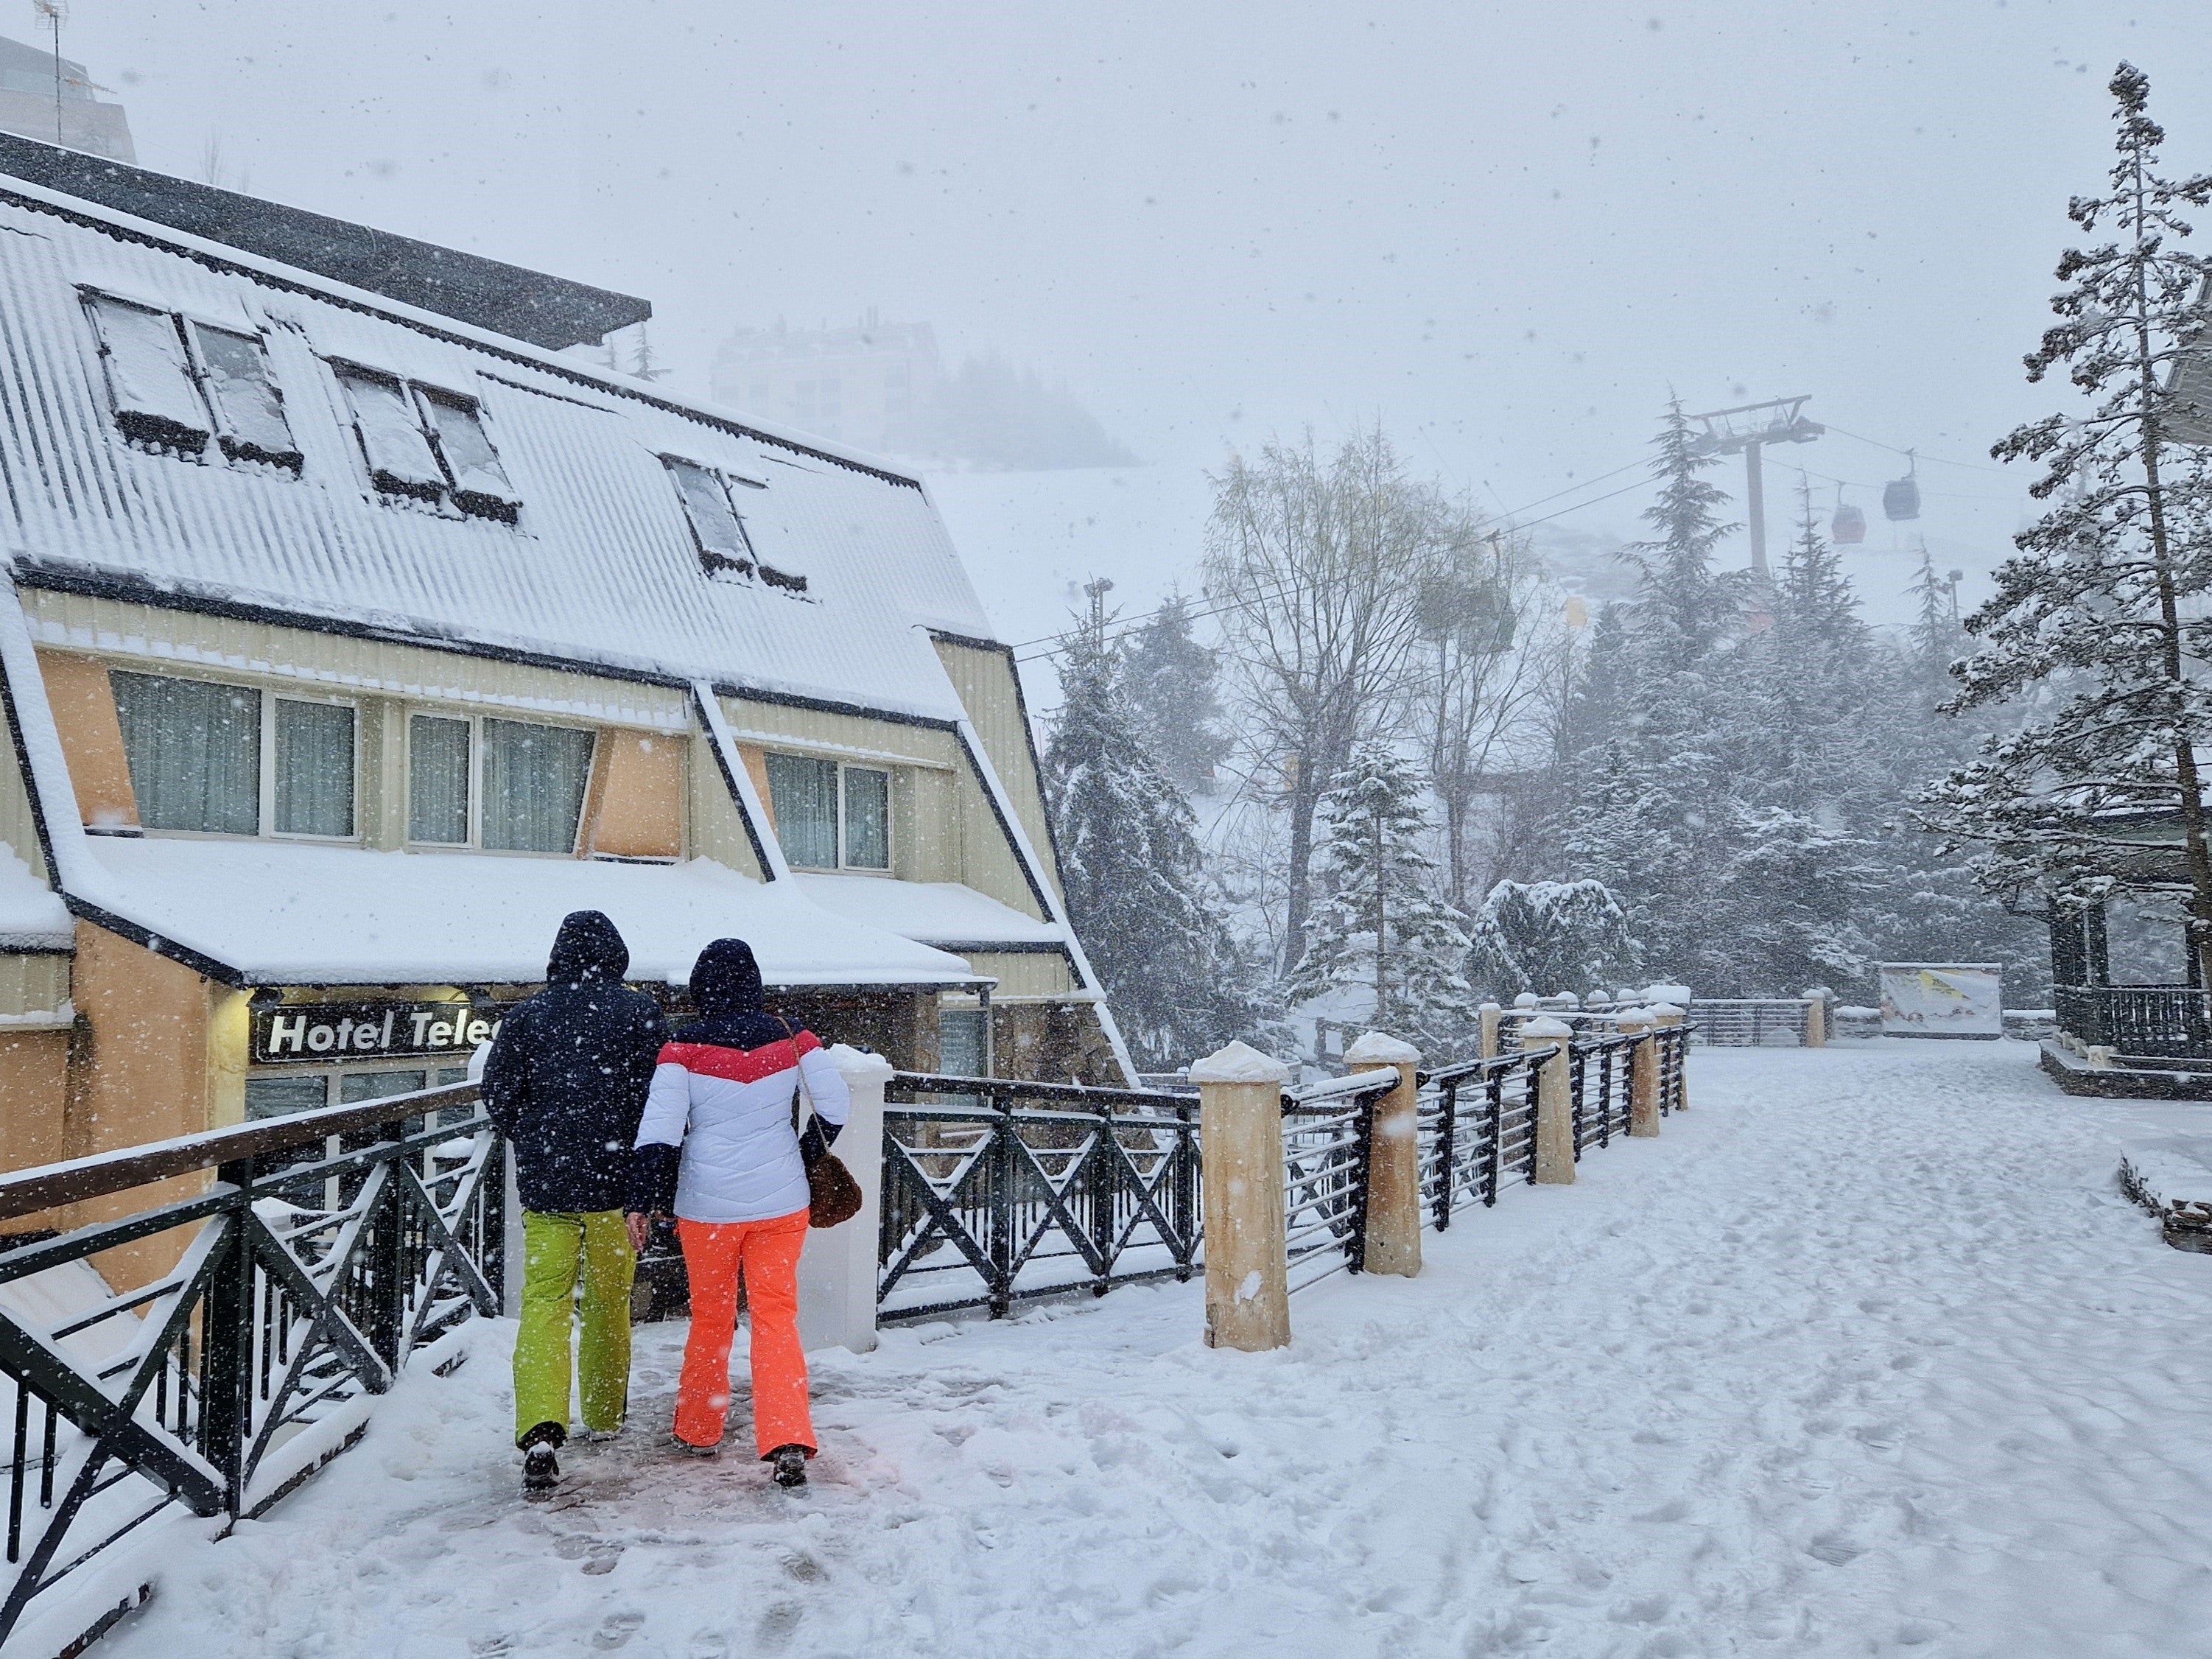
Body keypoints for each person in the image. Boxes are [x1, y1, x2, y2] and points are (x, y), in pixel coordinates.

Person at [628, 937, 849, 1488]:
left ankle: (700, 1427)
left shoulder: (680, 1046)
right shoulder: (793, 1036)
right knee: (775, 1317)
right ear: (754, 981)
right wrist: (802, 1157)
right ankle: (787, 1436)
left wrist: (642, 1199)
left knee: (711, 1315)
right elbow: (836, 1105)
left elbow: (658, 1131)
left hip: (707, 1206)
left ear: (700, 987)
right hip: (782, 1202)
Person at [482, 910, 669, 1496]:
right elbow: (662, 1098)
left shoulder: (526, 1016)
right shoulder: (640, 1014)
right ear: (617, 955)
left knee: (544, 1301)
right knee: (610, 1300)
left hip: (549, 1188)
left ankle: (540, 1427)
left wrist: (537, 1138)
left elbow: (498, 1094)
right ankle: (606, 1415)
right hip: (617, 1190)